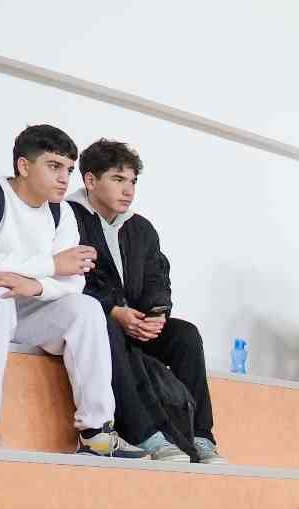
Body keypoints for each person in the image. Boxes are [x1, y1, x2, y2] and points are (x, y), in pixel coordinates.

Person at [0, 125, 142, 456]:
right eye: (54, 166)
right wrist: (50, 266)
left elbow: (75, 280)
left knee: (85, 308)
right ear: (24, 166)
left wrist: (36, 285)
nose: (64, 178)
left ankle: (96, 432)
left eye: (68, 169)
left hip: (20, 303)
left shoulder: (61, 212)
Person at [69, 139, 223, 463]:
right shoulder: (68, 218)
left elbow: (158, 277)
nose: (128, 190)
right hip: (99, 319)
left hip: (136, 321)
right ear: (90, 180)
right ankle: (145, 434)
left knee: (185, 335)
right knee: (108, 329)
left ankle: (201, 437)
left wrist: (157, 314)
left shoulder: (140, 228)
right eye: (118, 179)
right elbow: (74, 281)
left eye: (132, 181)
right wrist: (114, 310)